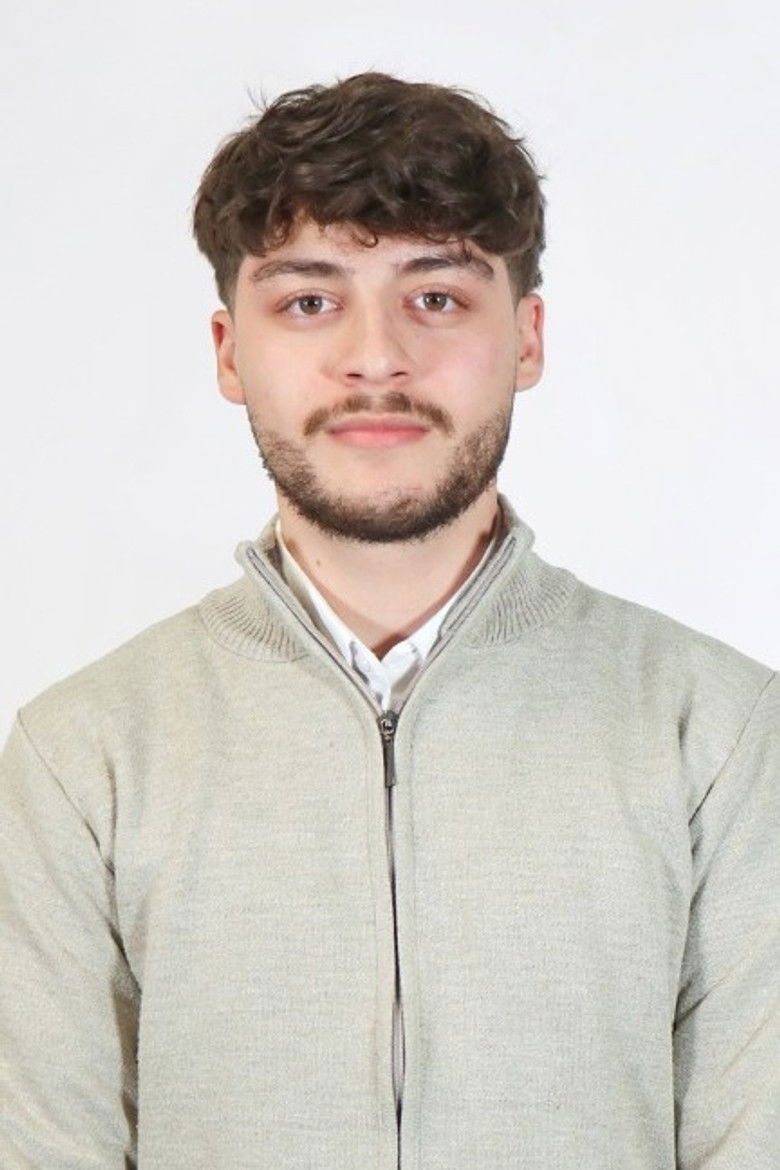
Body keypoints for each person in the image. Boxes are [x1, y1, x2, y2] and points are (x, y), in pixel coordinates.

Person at [0, 71, 777, 1170]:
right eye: (309, 302)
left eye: (438, 297)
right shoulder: (82, 757)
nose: (375, 357)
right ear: (228, 352)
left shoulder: (721, 732)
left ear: (528, 338)